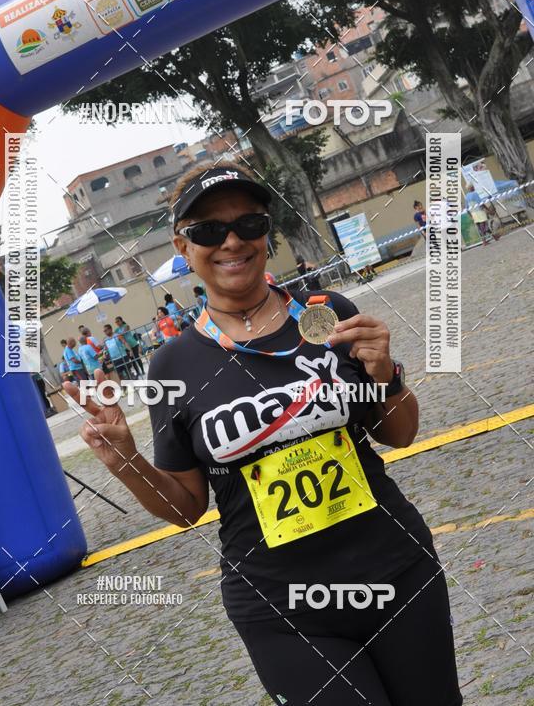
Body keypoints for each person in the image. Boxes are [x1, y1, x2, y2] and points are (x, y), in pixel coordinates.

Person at [79, 162, 462, 706]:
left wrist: (386, 375)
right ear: (183, 247)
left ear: (266, 233)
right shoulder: (172, 364)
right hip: (283, 606)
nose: (232, 241)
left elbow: (399, 433)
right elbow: (188, 506)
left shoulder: (327, 315)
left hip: (397, 569)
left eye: (249, 224)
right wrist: (126, 461)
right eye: (209, 230)